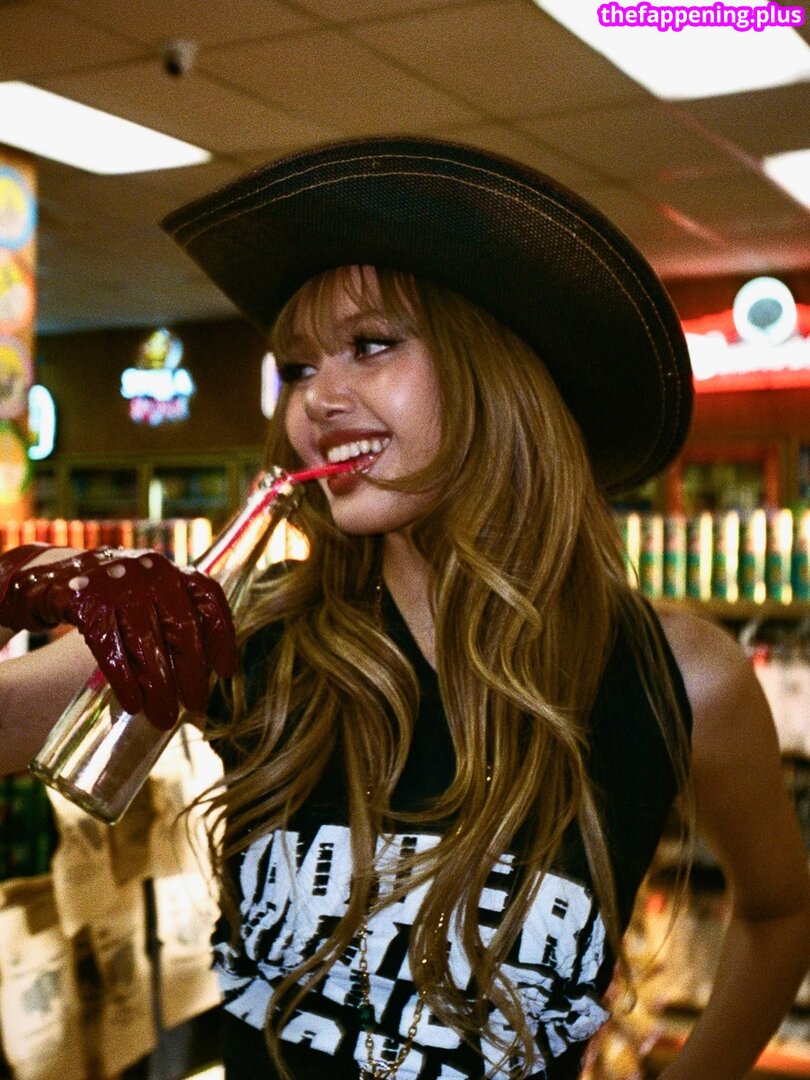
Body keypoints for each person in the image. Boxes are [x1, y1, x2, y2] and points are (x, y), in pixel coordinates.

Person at [0, 137, 808, 1080]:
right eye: (297, 369)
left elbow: (782, 914)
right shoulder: (245, 633)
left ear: (499, 373)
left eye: (369, 345)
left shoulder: (680, 675)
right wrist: (15, 583)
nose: (317, 400)